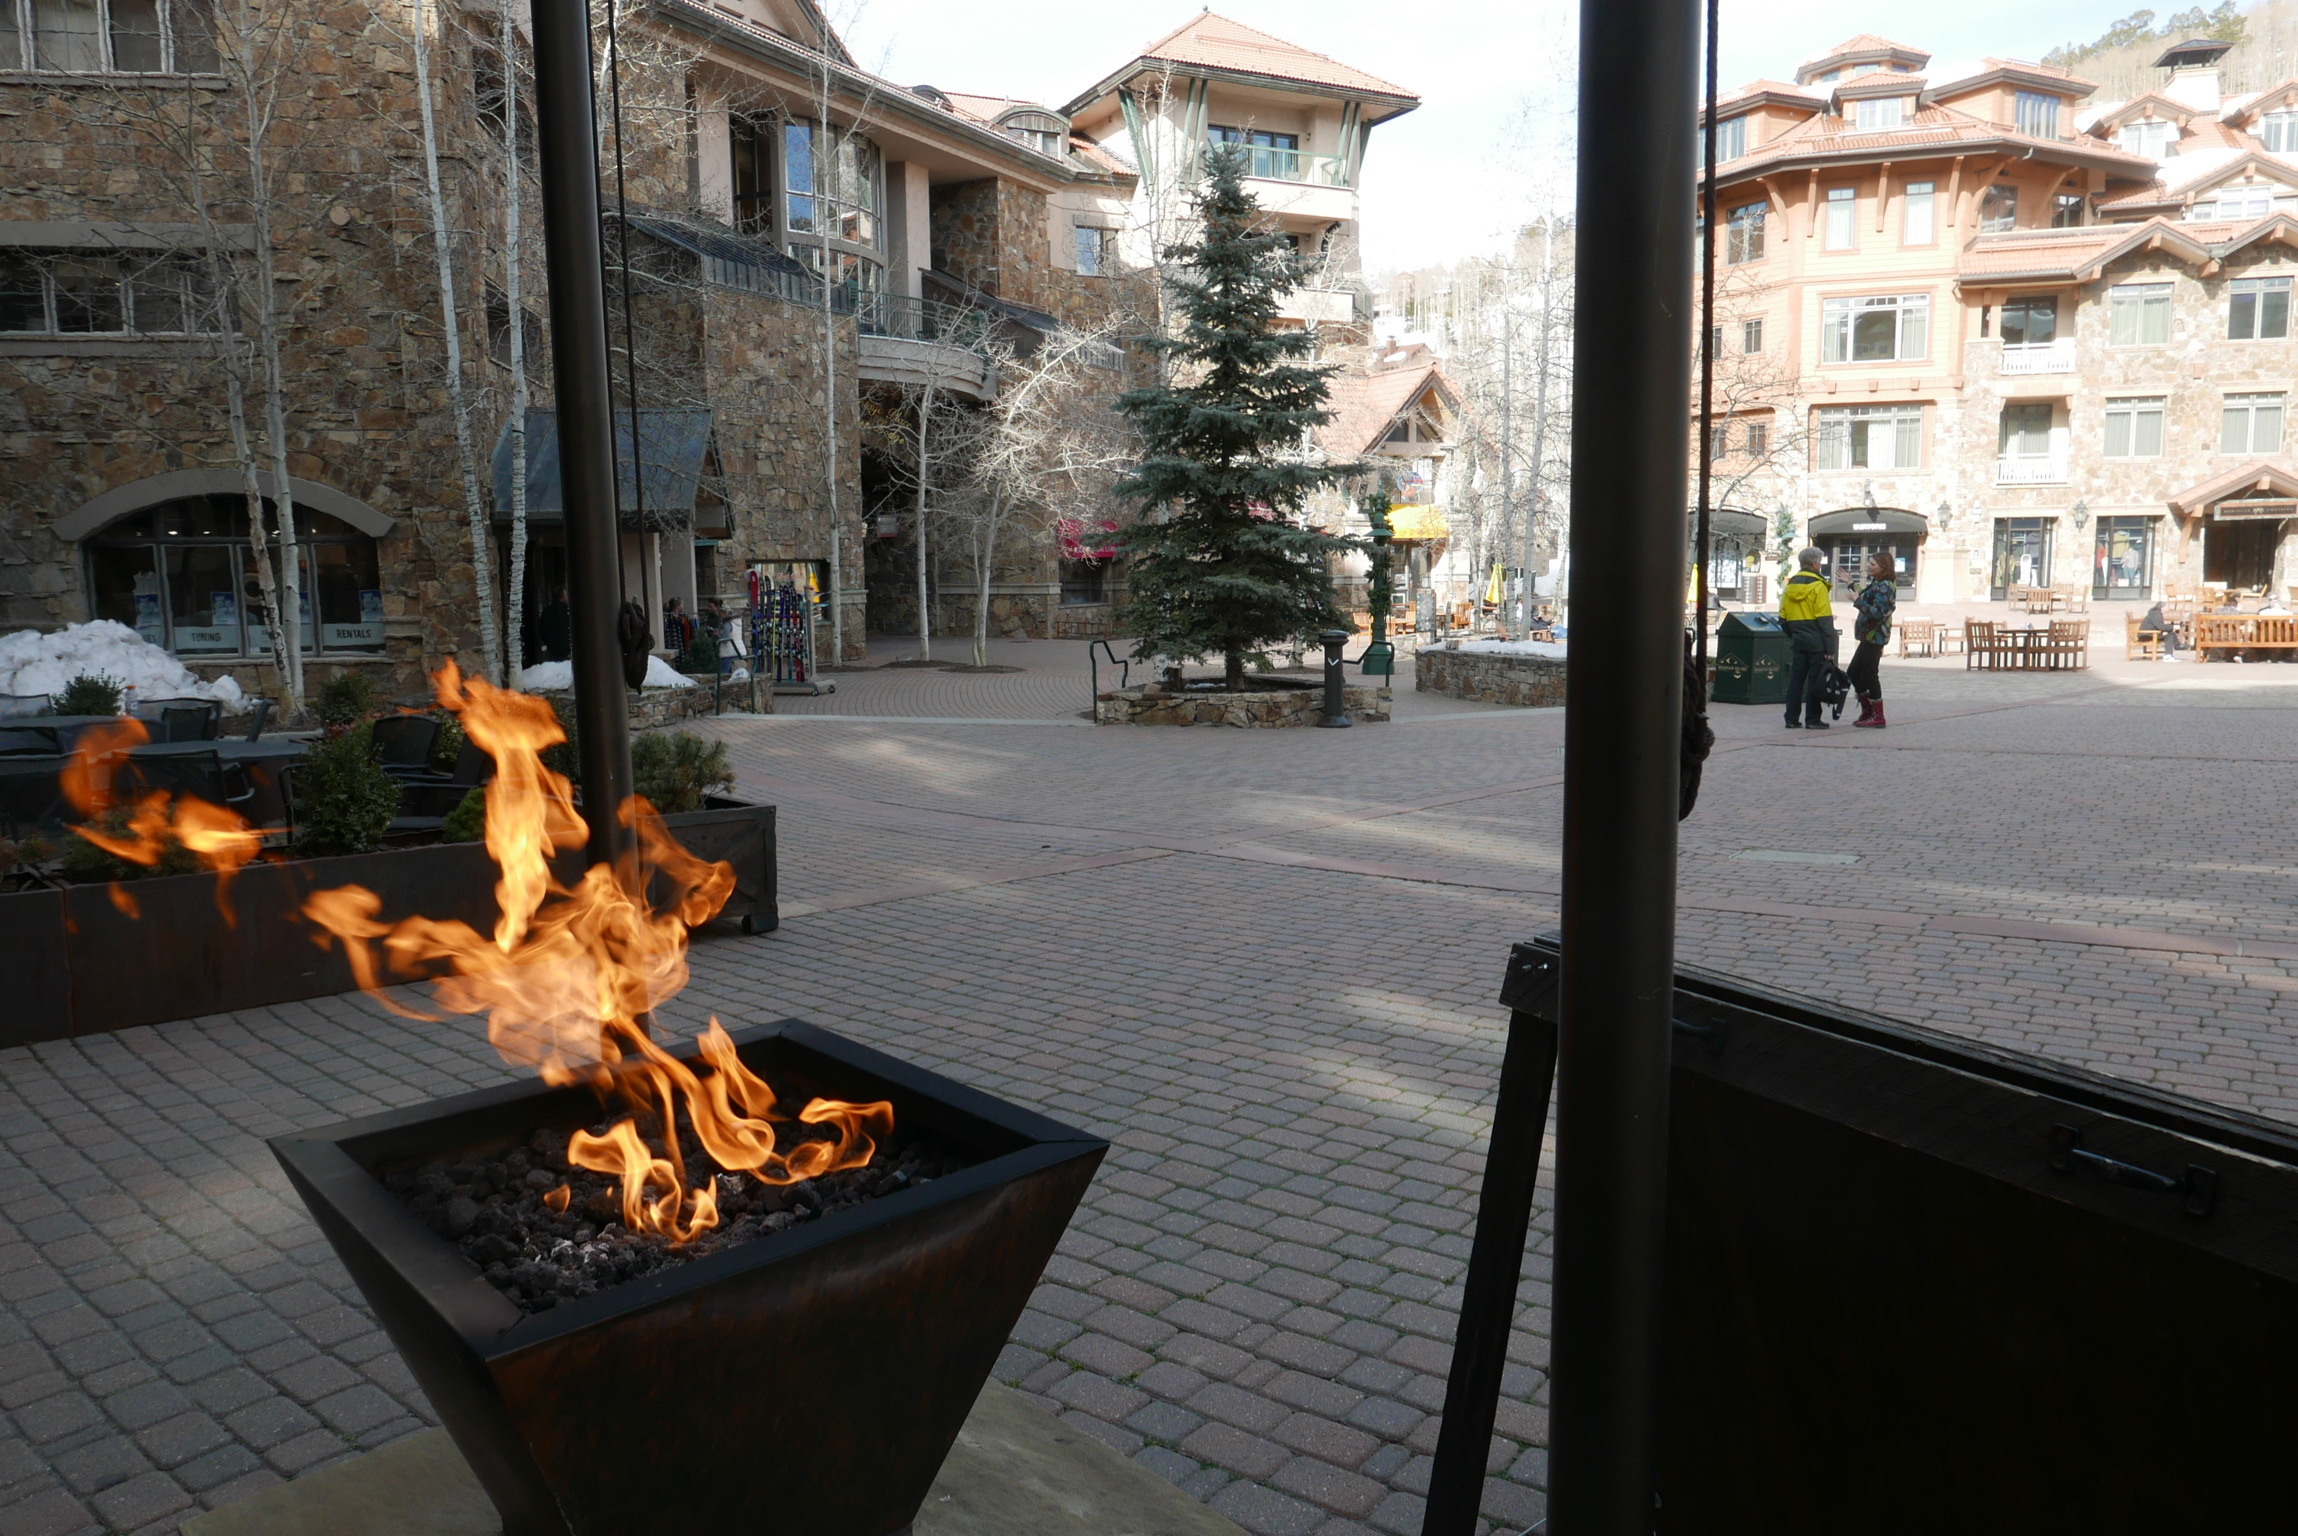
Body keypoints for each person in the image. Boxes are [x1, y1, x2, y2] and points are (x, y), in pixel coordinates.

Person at [1777, 547, 1838, 730]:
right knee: (1815, 681)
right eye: (1820, 561)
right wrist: (1830, 649)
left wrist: (1794, 634)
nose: (1820, 565)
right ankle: (1812, 719)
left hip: (1799, 638)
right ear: (1814, 564)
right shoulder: (1818, 586)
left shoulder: (1790, 585)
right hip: (1817, 640)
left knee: (1796, 680)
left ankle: (1791, 718)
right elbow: (1825, 619)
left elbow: (1783, 617)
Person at [1848, 551, 1896, 728]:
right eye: (1869, 563)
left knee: (1869, 674)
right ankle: (1868, 709)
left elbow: (1878, 612)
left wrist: (1857, 602)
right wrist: (1850, 584)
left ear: (1883, 567)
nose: (1869, 566)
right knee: (1854, 672)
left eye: (1873, 564)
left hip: (1875, 637)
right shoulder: (1877, 584)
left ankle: (1878, 715)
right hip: (1867, 637)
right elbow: (1866, 595)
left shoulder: (1886, 586)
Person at [538, 587, 572, 663]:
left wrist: (549, 643)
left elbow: (542, 630)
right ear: (563, 597)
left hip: (552, 650)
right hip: (567, 649)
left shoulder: (546, 611)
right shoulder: (568, 610)